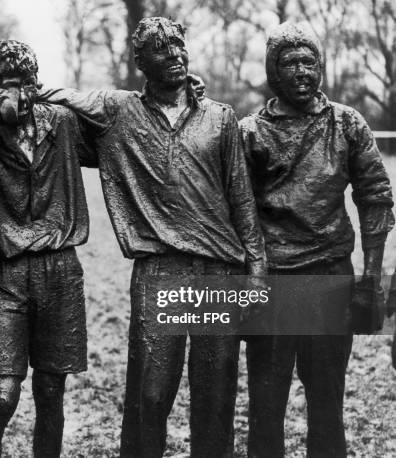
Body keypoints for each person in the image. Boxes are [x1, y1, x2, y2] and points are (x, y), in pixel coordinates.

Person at [41, 17, 266, 458]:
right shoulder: (118, 112)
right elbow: (56, 98)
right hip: (159, 270)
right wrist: (8, 92)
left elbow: (242, 197)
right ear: (141, 62)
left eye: (179, 45)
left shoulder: (219, 118)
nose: (175, 55)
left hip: (218, 271)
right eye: (161, 49)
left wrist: (256, 267)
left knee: (215, 391)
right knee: (151, 391)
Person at [240, 22, 394, 458]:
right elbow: (236, 209)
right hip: (272, 282)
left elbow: (376, 199)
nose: (302, 71)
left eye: (310, 61)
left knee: (328, 400)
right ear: (273, 71)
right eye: (290, 62)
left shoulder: (346, 123)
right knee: (265, 404)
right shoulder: (250, 131)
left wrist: (369, 278)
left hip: (330, 277)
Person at [0, 40, 93, 458]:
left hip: (60, 269)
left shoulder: (63, 122)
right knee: (3, 395)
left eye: (26, 84)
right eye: (7, 86)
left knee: (51, 394)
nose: (19, 95)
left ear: (37, 83)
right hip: (3, 272)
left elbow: (124, 125)